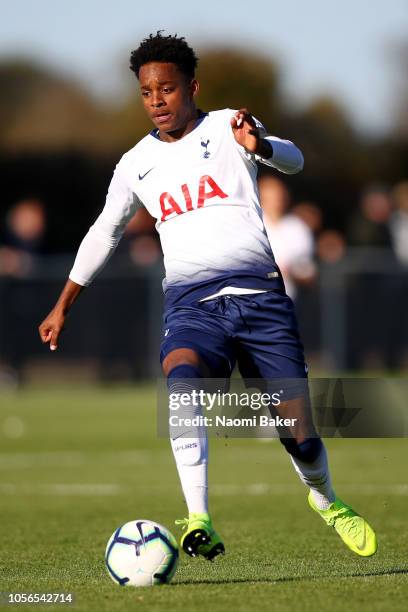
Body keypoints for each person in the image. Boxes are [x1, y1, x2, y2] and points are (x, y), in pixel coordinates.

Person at [39, 32, 377, 561]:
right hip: (193, 305)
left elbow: (294, 160)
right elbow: (104, 231)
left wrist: (259, 146)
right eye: (147, 91)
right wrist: (64, 303)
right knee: (182, 380)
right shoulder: (134, 164)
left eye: (166, 89)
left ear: (191, 87)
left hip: (262, 302)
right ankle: (199, 516)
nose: (156, 100)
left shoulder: (227, 125)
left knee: (301, 437)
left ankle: (325, 497)